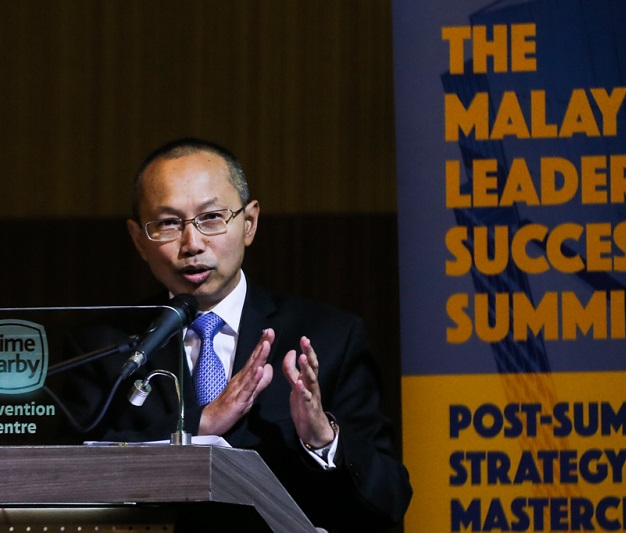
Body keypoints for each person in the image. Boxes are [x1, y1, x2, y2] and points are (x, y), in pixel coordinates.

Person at [59, 137, 412, 532]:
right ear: (139, 239)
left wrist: (324, 437)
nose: (192, 245)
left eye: (211, 218)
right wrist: (199, 426)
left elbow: (392, 498)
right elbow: (67, 470)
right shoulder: (102, 347)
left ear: (249, 223)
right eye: (169, 224)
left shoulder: (329, 336)